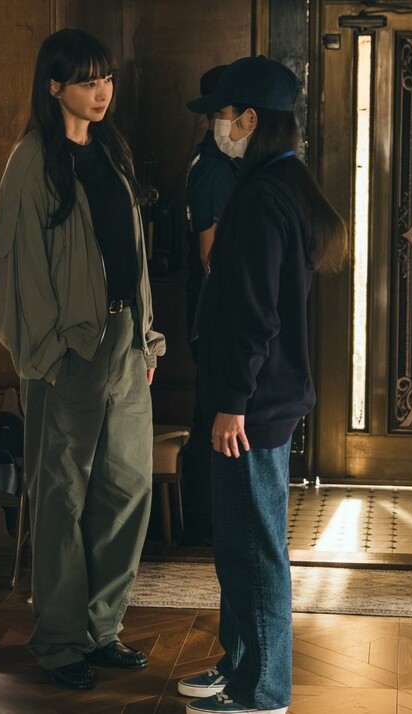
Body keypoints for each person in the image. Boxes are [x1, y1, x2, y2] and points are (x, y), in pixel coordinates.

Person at [0, 28, 165, 690]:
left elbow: (132, 257)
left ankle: (101, 629)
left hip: (125, 344)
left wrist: (146, 340)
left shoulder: (112, 152)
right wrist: (46, 355)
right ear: (54, 86)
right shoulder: (32, 161)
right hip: (67, 353)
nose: (102, 91)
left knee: (126, 490)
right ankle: (60, 639)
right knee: (61, 498)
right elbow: (15, 271)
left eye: (107, 78)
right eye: (88, 80)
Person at [177, 56, 349, 714]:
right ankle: (241, 664)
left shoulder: (261, 198)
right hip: (257, 402)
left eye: (223, 115)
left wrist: (232, 404)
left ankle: (265, 691)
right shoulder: (279, 184)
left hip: (252, 407)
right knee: (238, 544)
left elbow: (255, 316)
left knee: (255, 549)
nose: (218, 127)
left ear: (249, 120)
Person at [183, 64, 242, 547]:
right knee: (211, 417)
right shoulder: (213, 170)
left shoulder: (223, 165)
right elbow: (211, 256)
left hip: (214, 313)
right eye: (230, 114)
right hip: (214, 313)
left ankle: (209, 522)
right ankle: (203, 525)